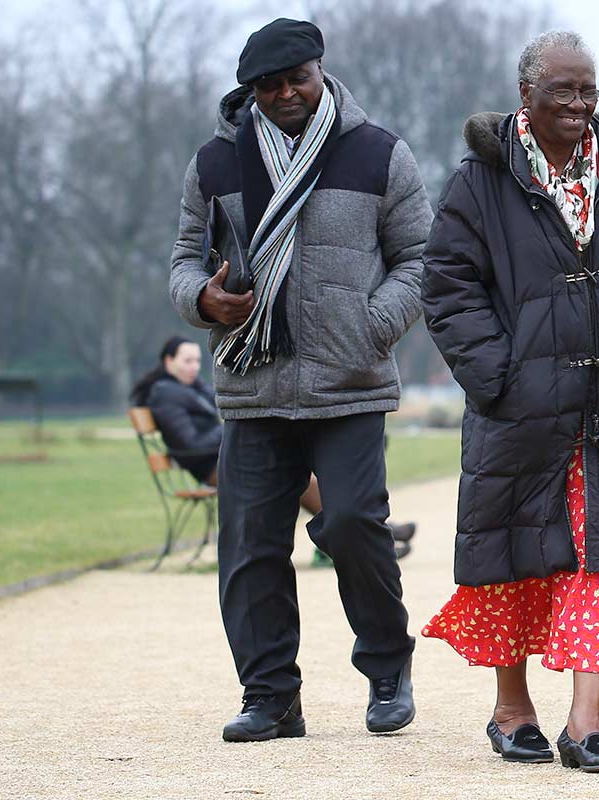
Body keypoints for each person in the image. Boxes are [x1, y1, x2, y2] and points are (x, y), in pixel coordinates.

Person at [417, 31, 599, 774]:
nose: (577, 104)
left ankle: (587, 722)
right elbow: (447, 286)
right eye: (562, 90)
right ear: (525, 96)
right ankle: (512, 709)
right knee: (516, 553)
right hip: (519, 405)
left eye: (587, 90)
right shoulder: (480, 180)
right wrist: (497, 375)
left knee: (598, 555)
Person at [166, 18, 431, 742]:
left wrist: (371, 324)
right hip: (252, 384)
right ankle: (271, 696)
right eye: (269, 85)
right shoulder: (216, 164)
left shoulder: (378, 154)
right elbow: (185, 260)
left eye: (297, 80)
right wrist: (201, 300)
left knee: (350, 523)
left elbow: (421, 260)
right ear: (251, 89)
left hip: (349, 381)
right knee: (250, 546)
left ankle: (386, 667)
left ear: (321, 72)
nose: (285, 94)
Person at [129, 336, 419, 551]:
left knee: (306, 471)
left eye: (196, 360)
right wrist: (236, 434)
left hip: (222, 457)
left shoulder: (190, 389)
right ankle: (368, 541)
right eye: (186, 360)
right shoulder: (165, 394)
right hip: (211, 466)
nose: (193, 366)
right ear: (169, 362)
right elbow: (190, 443)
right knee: (297, 477)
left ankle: (373, 535)